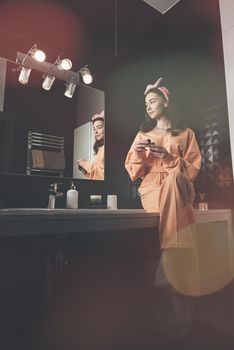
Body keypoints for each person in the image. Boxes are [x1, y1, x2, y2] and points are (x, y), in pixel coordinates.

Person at [125, 78, 202, 338]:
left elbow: (190, 170)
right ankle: (172, 259)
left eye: (152, 101)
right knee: (170, 181)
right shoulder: (143, 134)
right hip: (151, 187)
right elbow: (133, 172)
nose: (147, 106)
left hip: (179, 185)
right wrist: (139, 152)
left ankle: (168, 260)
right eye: (145, 103)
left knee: (175, 177)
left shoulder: (186, 133)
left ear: (165, 102)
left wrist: (168, 157)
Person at [77, 111, 104, 180]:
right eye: (94, 129)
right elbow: (98, 176)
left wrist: (85, 164)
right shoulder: (101, 149)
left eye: (99, 127)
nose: (96, 131)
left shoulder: (106, 149)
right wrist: (85, 171)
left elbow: (103, 175)